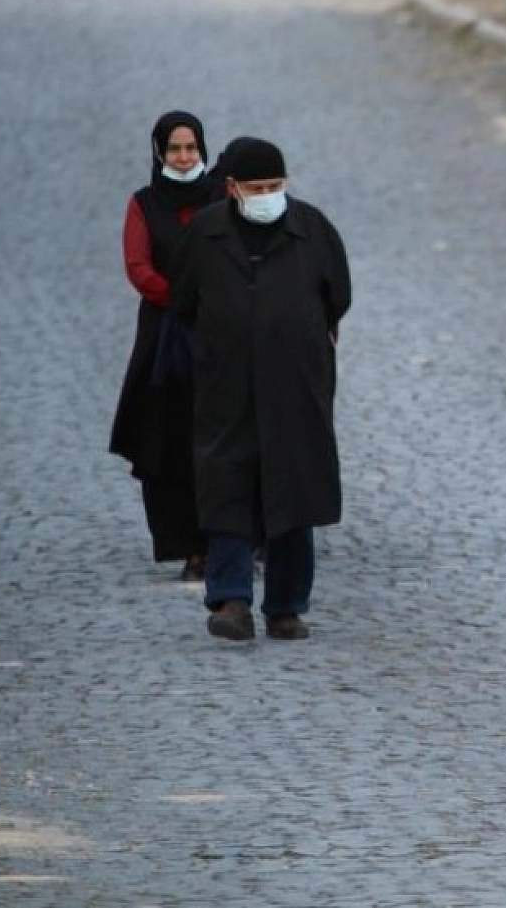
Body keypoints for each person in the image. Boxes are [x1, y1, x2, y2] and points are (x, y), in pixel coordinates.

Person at [171, 137, 351, 642]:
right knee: (227, 484)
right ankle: (231, 599)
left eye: (275, 186)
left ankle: (286, 606)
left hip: (296, 385)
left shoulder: (311, 230)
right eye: (257, 188)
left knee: (294, 490)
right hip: (226, 384)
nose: (268, 195)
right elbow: (183, 300)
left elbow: (338, 294)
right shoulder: (205, 236)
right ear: (232, 189)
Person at [110, 110, 224, 582]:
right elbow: (138, 266)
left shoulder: (220, 197)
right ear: (160, 152)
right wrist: (180, 298)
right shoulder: (144, 204)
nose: (183, 157)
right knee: (170, 439)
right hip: (166, 336)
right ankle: (187, 543)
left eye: (191, 148)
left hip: (220, 330)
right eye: (174, 149)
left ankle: (231, 537)